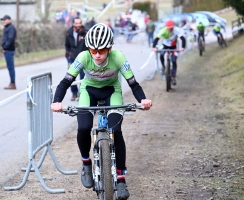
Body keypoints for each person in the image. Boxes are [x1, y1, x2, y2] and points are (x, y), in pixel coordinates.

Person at [51, 23, 152, 200]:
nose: (97, 55)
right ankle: (86, 163)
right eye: (93, 51)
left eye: (102, 51)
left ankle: (120, 178)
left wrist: (142, 100)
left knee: (116, 131)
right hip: (89, 91)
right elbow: (65, 82)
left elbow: (133, 83)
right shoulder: (83, 57)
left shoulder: (118, 57)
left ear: (110, 48)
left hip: (111, 91)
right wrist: (56, 101)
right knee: (83, 127)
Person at [152, 19, 186, 85]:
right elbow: (156, 39)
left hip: (173, 46)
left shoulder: (177, 30)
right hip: (164, 46)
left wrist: (182, 47)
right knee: (161, 54)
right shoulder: (163, 31)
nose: (170, 29)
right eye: (168, 28)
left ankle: (173, 76)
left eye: (171, 28)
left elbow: (183, 39)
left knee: (173, 60)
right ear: (166, 27)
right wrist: (154, 47)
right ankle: (163, 67)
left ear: (173, 26)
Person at [65, 17, 87, 101]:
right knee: (71, 76)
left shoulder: (85, 32)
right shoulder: (69, 32)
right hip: (72, 58)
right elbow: (67, 45)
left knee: (83, 76)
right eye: (76, 23)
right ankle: (74, 93)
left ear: (81, 23)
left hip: (82, 58)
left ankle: (81, 93)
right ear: (73, 23)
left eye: (79, 23)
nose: (78, 25)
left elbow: (89, 45)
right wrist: (68, 55)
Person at [1, 14, 17, 90]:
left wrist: (5, 47)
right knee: (10, 67)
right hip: (8, 49)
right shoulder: (8, 28)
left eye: (5, 20)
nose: (3, 21)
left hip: (9, 50)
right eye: (3, 20)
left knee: (10, 67)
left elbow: (10, 39)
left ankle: (12, 83)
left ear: (9, 20)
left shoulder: (11, 28)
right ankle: (12, 82)